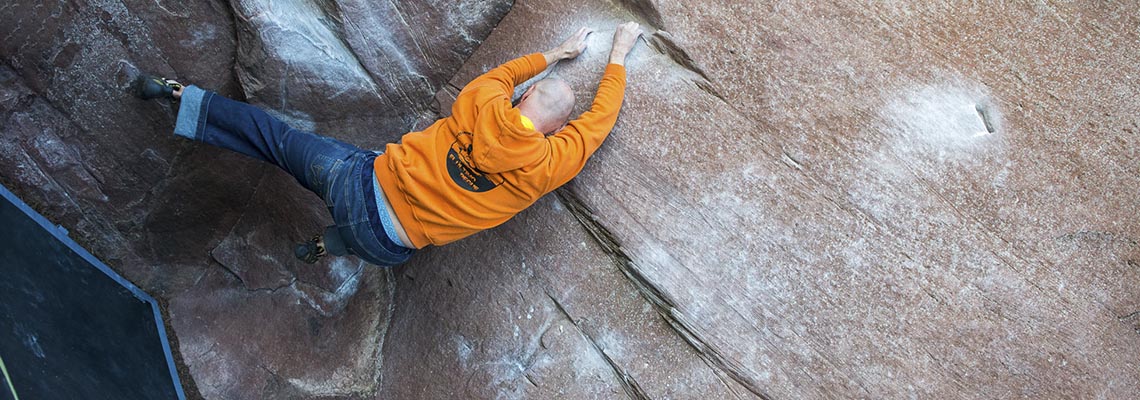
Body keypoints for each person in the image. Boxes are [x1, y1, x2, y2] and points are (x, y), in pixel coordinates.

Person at [133, 22, 644, 266]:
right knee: (375, 238)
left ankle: (180, 97)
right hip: (387, 246)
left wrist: (555, 52)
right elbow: (599, 120)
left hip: (356, 186)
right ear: (558, 131)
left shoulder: (481, 101)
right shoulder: (549, 165)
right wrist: (619, 53)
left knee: (275, 139)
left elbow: (506, 73)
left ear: (526, 96)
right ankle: (323, 245)